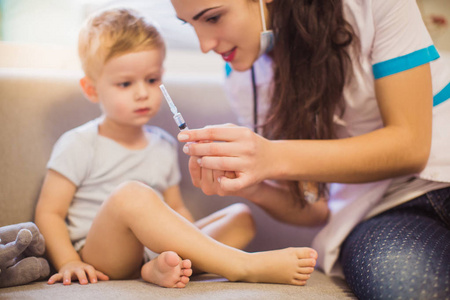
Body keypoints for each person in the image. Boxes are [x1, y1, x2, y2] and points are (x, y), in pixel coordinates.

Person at [170, 0, 450, 298]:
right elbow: (315, 209)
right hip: (382, 211)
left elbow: (410, 147)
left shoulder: (371, 6)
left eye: (213, 18)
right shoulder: (244, 81)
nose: (204, 45)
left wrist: (272, 156)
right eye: (189, 24)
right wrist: (248, 183)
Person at [34, 7, 318, 289]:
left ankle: (157, 269)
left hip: (153, 251)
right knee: (131, 195)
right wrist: (69, 261)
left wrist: (191, 243)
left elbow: (177, 209)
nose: (142, 92)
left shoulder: (163, 144)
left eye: (152, 80)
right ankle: (241, 265)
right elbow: (49, 213)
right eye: (125, 83)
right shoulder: (79, 143)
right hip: (103, 257)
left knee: (240, 217)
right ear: (92, 89)